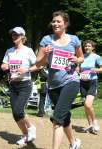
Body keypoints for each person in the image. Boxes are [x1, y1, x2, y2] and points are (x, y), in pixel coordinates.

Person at [26, 10, 84, 149]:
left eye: (58, 21)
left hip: (71, 80)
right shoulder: (46, 40)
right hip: (53, 85)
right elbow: (38, 63)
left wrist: (77, 59)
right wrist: (45, 54)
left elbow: (81, 57)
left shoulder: (74, 39)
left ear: (66, 23)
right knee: (64, 117)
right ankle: (74, 142)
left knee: (57, 118)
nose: (55, 23)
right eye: (54, 21)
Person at [1, 27, 37, 145]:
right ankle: (26, 135)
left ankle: (31, 128)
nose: (14, 37)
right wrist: (4, 66)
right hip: (12, 85)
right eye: (13, 35)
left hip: (25, 84)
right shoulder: (9, 51)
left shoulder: (28, 51)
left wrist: (26, 69)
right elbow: (4, 64)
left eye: (16, 35)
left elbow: (38, 66)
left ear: (22, 37)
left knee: (18, 110)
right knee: (15, 114)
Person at [79, 40, 102, 133]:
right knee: (85, 105)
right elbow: (79, 69)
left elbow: (101, 68)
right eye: (85, 46)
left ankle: (95, 122)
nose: (87, 47)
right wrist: (78, 71)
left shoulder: (96, 57)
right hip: (82, 83)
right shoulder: (82, 57)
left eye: (89, 46)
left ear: (93, 47)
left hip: (92, 82)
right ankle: (90, 124)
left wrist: (95, 69)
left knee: (88, 104)